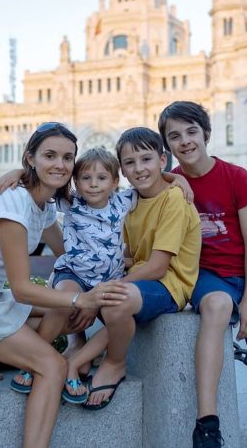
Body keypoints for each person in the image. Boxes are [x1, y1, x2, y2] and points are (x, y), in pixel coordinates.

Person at [0, 122, 129, 448]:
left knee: (61, 313)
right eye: (50, 155)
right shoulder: (14, 202)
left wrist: (95, 288)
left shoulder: (42, 206)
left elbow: (69, 255)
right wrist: (81, 301)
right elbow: (21, 288)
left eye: (67, 158)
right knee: (53, 365)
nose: (60, 164)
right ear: (30, 158)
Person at [0, 146, 193, 404]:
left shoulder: (125, 200)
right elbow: (42, 181)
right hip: (73, 273)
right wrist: (19, 171)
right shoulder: (71, 202)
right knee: (63, 299)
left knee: (118, 314)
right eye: (86, 178)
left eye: (101, 178)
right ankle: (37, 358)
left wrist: (178, 178)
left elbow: (151, 177)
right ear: (76, 181)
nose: (93, 185)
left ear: (114, 181)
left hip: (106, 280)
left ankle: (81, 358)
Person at [158, 101, 247, 448]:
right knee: (217, 305)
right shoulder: (168, 184)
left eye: (192, 132)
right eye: (174, 136)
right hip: (209, 276)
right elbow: (129, 177)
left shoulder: (235, 176)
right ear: (167, 146)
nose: (185, 142)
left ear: (206, 134)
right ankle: (207, 424)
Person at [76, 127, 202, 410]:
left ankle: (114, 362)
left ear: (162, 160)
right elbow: (131, 256)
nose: (139, 169)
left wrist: (107, 290)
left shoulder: (174, 199)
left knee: (114, 301)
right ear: (121, 169)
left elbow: (158, 267)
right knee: (78, 287)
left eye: (146, 160)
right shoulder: (130, 201)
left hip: (171, 285)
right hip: (141, 281)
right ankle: (76, 358)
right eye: (130, 163)